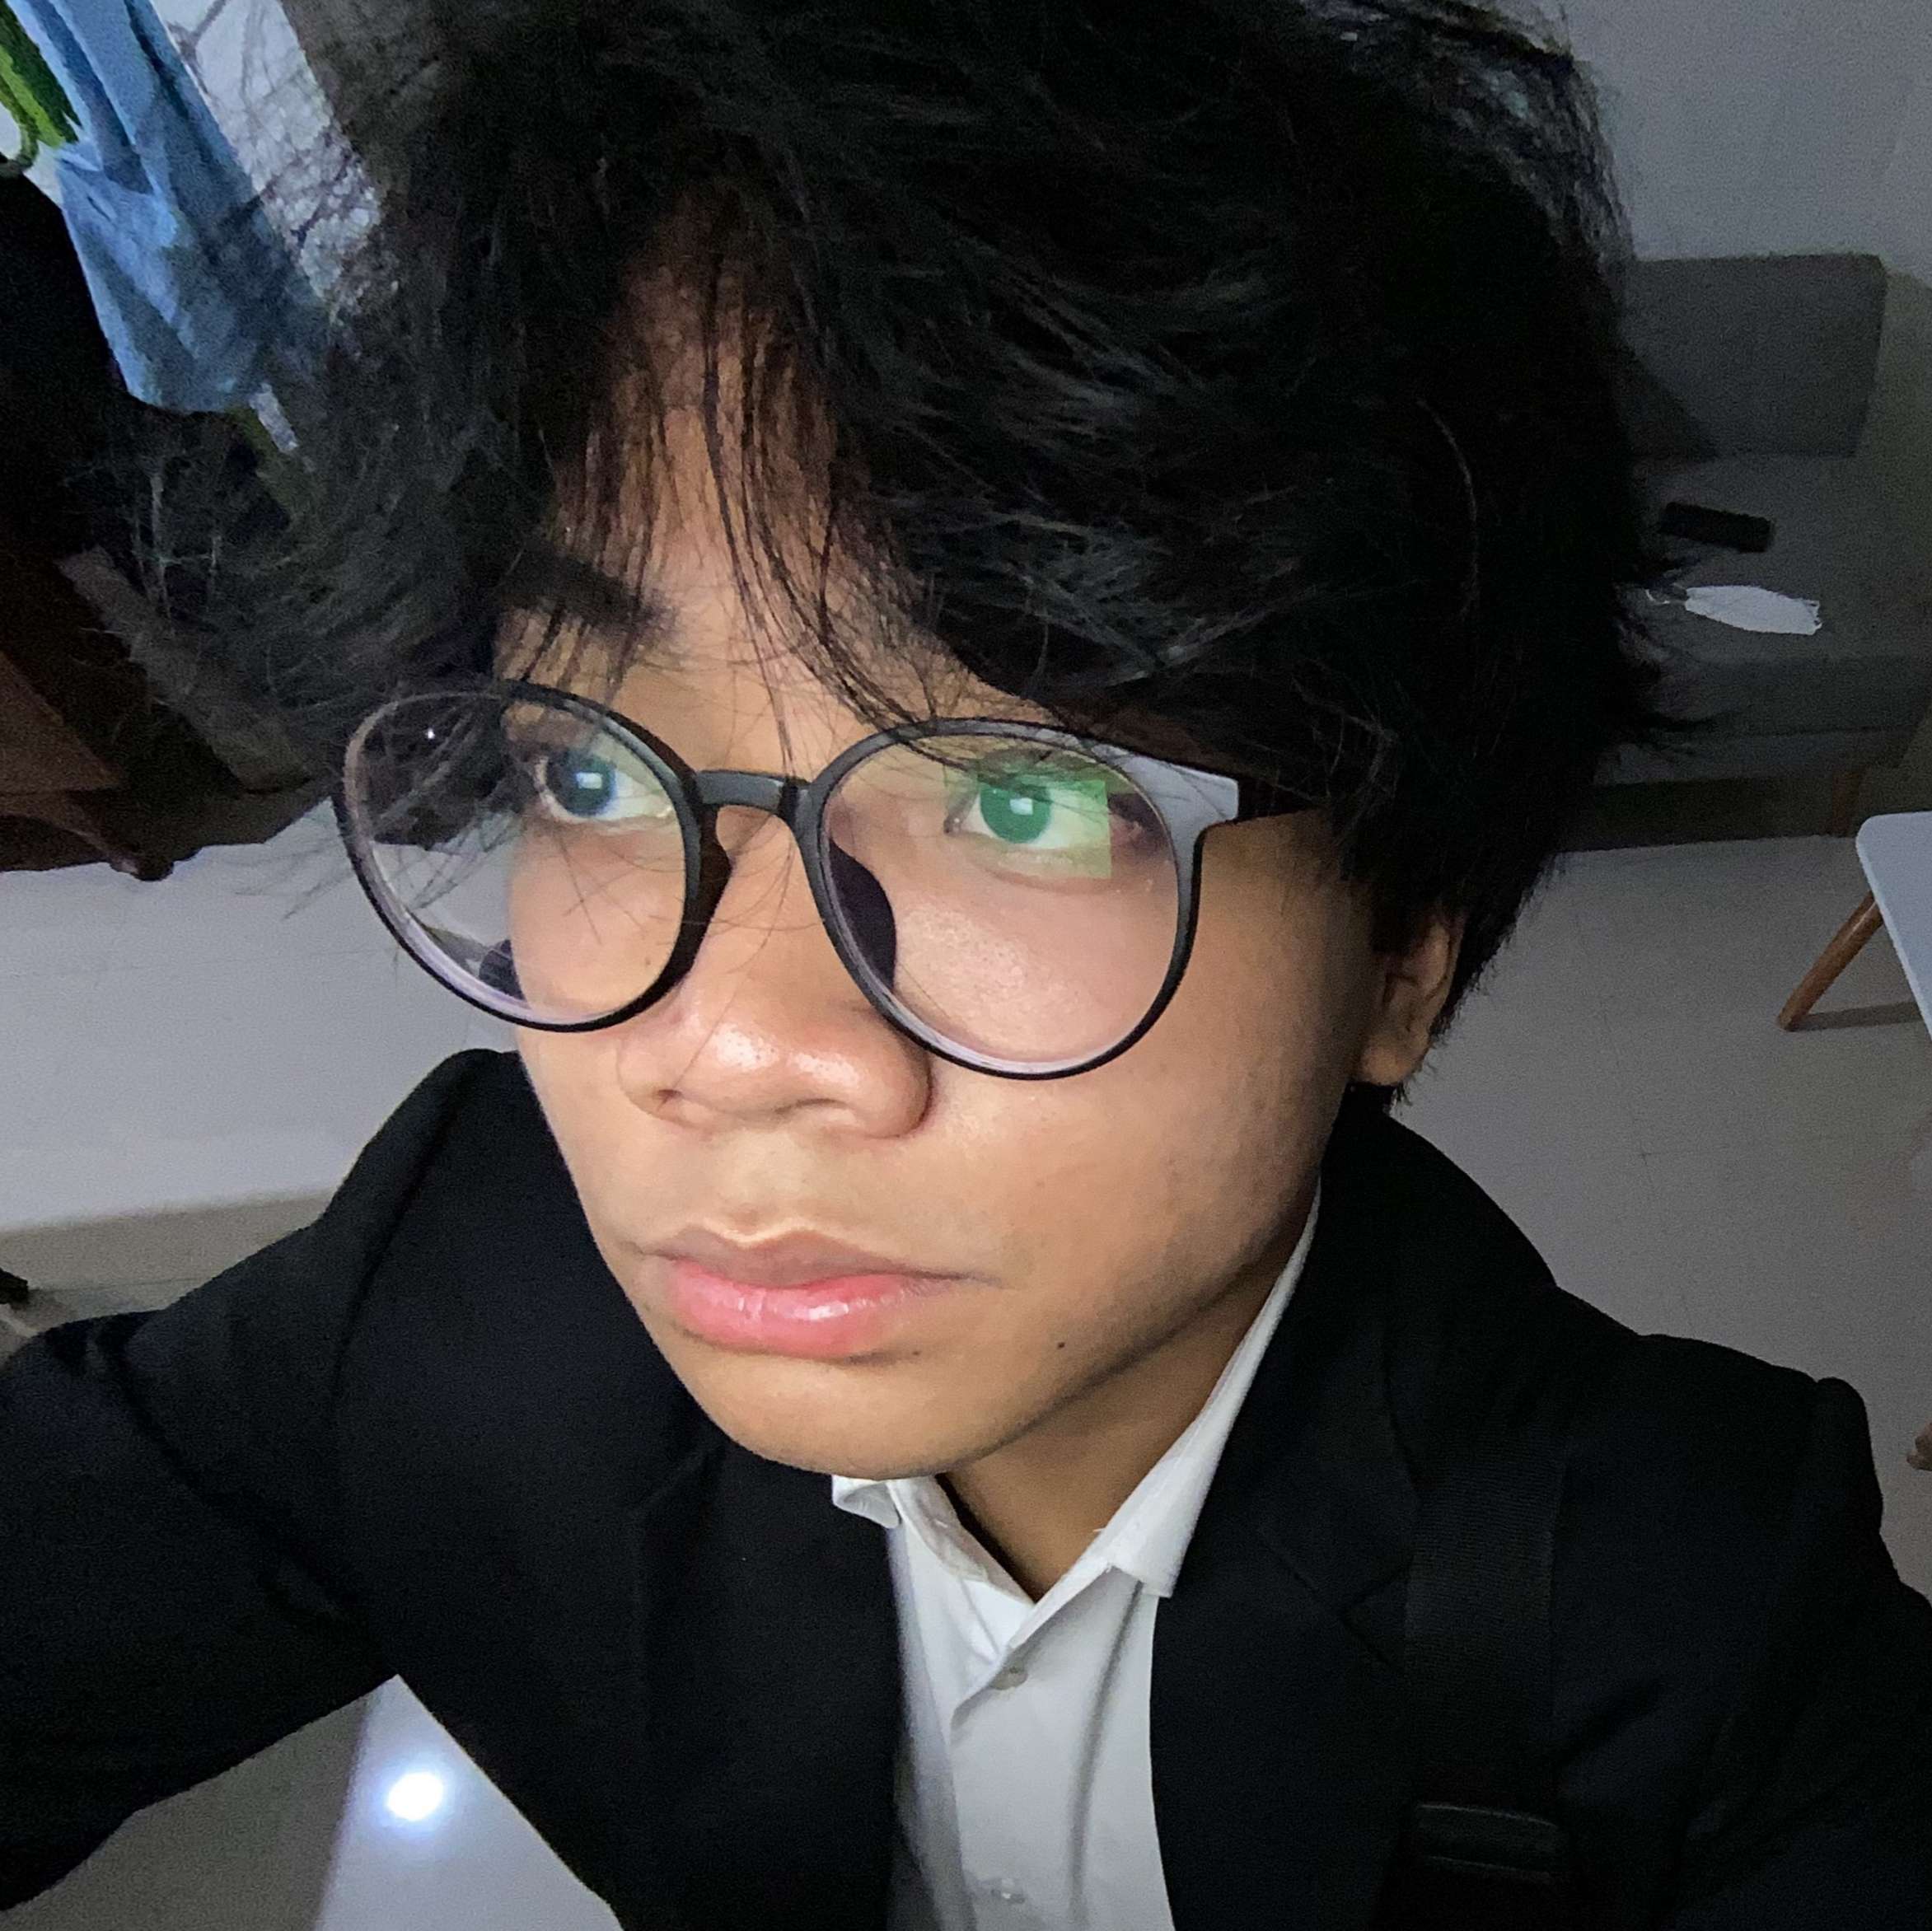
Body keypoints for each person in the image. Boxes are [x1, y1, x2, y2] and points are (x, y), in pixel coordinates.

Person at [3, 2, 1929, 1926]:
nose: (724, 1038)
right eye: (588, 768)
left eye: (1025, 795)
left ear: (1404, 945)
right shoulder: (454, 1286)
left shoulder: (1704, 1620)